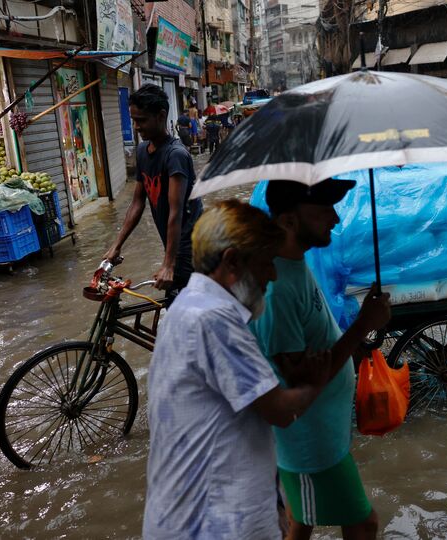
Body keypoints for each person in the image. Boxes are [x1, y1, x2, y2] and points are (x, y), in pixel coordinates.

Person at [143, 200, 337, 539]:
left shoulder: (186, 307)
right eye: (266, 263)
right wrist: (315, 383)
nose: (273, 275)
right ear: (232, 261)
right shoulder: (215, 319)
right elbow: (278, 410)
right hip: (213, 524)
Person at [250, 179, 392, 540]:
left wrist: (352, 342)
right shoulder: (277, 287)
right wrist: (362, 325)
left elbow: (315, 345)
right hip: (310, 446)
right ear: (288, 220)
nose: (336, 218)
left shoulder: (295, 264)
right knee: (363, 524)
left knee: (300, 524)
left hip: (323, 434)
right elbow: (300, 382)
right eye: (324, 209)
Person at [103, 84, 203, 296]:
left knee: (180, 307)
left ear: (161, 116)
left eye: (141, 120)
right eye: (133, 120)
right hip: (172, 246)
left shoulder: (175, 155)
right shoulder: (142, 151)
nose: (136, 127)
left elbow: (176, 212)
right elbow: (137, 202)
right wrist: (116, 245)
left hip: (193, 248)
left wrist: (168, 264)